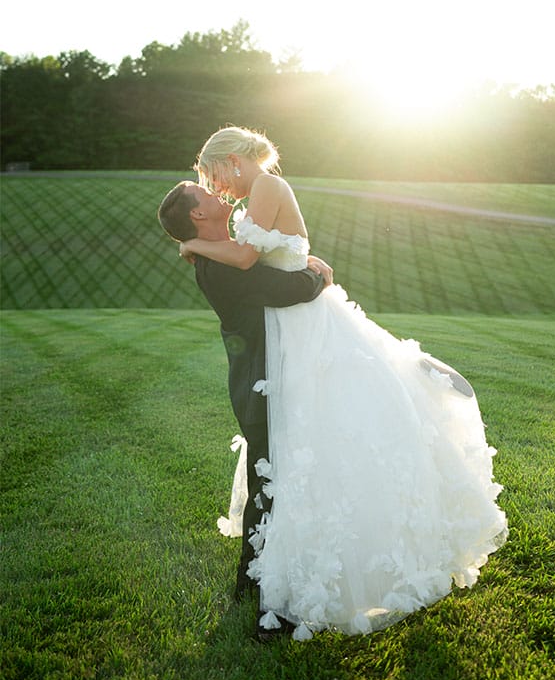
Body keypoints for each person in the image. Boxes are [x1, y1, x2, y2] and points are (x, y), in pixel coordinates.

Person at [179, 126, 508, 641]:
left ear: (231, 161)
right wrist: (302, 263)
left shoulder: (263, 187)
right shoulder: (253, 199)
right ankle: (272, 572)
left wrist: (195, 242)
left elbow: (249, 259)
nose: (217, 187)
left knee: (318, 436)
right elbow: (261, 261)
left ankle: (296, 576)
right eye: (208, 186)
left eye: (213, 175)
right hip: (289, 330)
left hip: (304, 327)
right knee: (305, 442)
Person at [157, 180, 332, 638]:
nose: (219, 195)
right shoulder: (223, 265)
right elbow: (292, 288)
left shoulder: (221, 254)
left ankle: (250, 584)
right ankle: (271, 614)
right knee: (272, 492)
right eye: (206, 195)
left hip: (262, 385)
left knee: (267, 488)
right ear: (197, 216)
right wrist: (316, 272)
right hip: (263, 389)